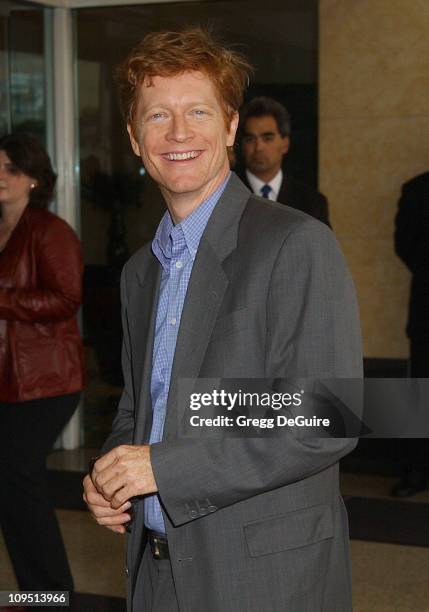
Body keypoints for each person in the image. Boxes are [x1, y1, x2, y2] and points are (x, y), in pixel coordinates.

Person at [83, 28, 362, 611]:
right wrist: (110, 476)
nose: (178, 132)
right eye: (158, 115)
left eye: (198, 111)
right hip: (156, 570)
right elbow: (141, 409)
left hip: (262, 576)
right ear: (135, 138)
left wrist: (160, 465)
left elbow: (324, 415)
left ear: (230, 127)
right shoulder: (141, 271)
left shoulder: (295, 243)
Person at [0, 133, 84, 594]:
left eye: (10, 168)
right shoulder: (2, 226)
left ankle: (51, 592)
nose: (0, 175)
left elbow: (67, 298)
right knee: (11, 487)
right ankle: (36, 592)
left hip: (46, 382)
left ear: (34, 179)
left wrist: (4, 300)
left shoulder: (51, 231)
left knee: (20, 479)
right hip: (9, 381)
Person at [392, 171, 429, 496]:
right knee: (420, 392)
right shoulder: (416, 189)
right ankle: (416, 471)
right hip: (426, 313)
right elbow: (404, 245)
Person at [238, 96, 331, 225]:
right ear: (242, 145)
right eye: (250, 139)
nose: (258, 147)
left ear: (285, 144)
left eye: (267, 138)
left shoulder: (312, 203)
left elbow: (321, 245)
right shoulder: (224, 196)